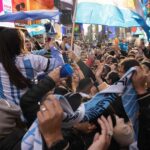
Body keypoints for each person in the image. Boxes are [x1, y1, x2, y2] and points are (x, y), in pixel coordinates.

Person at [0, 28, 62, 104]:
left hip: (6, 111)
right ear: (21, 43)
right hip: (28, 111)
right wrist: (53, 47)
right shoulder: (32, 59)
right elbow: (60, 64)